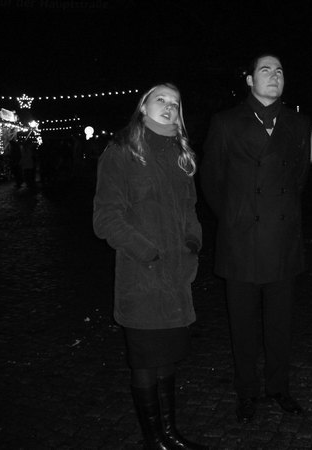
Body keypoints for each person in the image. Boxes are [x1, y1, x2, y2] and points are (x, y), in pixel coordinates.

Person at [93, 83, 207, 450]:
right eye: (161, 99)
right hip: (140, 278)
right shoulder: (122, 151)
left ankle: (170, 434)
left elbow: (190, 209)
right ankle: (153, 439)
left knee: (168, 357)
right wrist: (148, 253)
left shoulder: (181, 155)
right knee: (145, 360)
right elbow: (105, 219)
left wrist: (192, 244)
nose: (169, 106)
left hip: (176, 279)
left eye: (176, 102)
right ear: (143, 107)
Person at [200, 53, 310, 422]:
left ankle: (279, 387)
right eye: (265, 70)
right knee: (242, 327)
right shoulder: (226, 122)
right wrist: (236, 217)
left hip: (282, 240)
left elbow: (298, 178)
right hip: (241, 242)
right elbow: (211, 180)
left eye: (279, 70)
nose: (274, 75)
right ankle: (246, 391)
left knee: (280, 325)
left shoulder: (297, 122)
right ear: (249, 79)